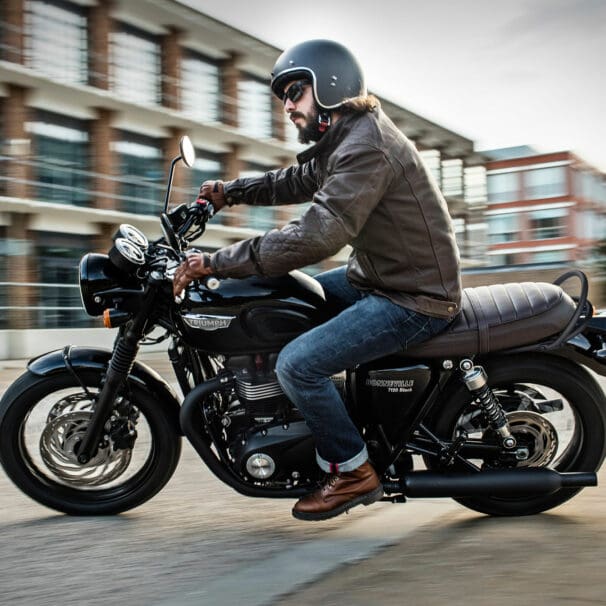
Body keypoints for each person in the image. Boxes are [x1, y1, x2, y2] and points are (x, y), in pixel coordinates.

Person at [173, 39, 461, 522]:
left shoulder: (365, 147)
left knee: (298, 364)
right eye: (283, 96)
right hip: (381, 278)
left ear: (330, 86)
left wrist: (216, 262)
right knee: (292, 305)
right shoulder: (344, 139)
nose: (288, 106)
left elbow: (316, 235)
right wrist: (229, 192)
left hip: (414, 297)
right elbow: (293, 180)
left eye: (295, 92)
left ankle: (351, 469)